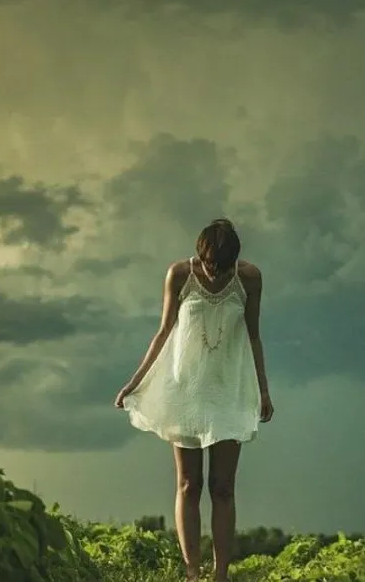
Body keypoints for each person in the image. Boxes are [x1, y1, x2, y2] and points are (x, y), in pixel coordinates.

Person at [114, 218, 274, 582]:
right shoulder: (179, 274)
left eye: (226, 264)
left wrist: (263, 390)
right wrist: (134, 383)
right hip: (184, 391)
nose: (217, 271)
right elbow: (163, 331)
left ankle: (220, 574)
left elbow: (253, 337)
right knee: (189, 483)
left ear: (236, 258)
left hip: (230, 391)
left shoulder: (249, 278)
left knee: (223, 486)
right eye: (212, 263)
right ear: (202, 255)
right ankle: (192, 573)